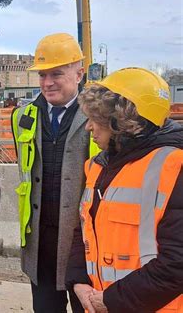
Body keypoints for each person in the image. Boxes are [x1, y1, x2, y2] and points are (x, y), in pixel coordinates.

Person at [66, 67, 183, 313]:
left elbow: (177, 263)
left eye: (96, 120)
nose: (89, 127)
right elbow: (83, 229)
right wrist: (78, 280)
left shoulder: (174, 167)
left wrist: (111, 301)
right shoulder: (98, 167)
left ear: (122, 122)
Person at [11, 33, 98, 312]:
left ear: (79, 73)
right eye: (42, 75)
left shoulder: (99, 117)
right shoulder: (24, 117)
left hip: (87, 242)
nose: (47, 83)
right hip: (42, 241)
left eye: (56, 74)